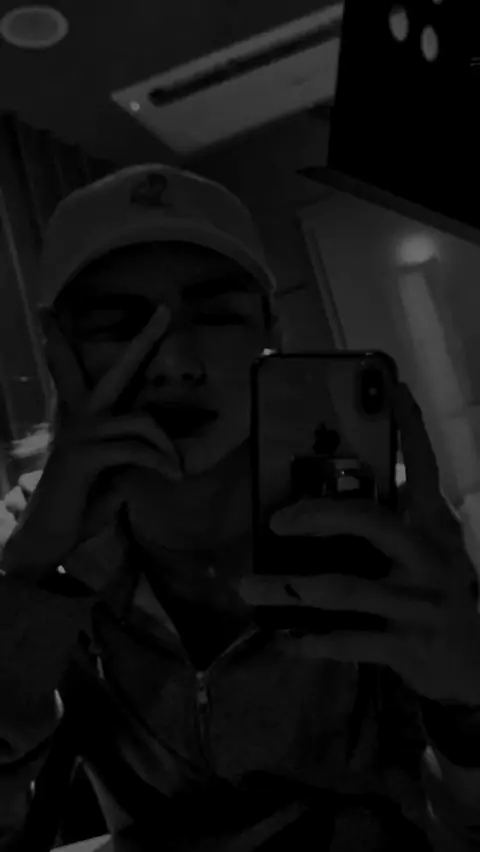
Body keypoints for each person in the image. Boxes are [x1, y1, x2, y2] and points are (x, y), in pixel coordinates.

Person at [2, 164, 480, 852]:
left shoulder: (373, 527)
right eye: (119, 326)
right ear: (58, 348)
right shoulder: (28, 540)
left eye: (218, 316)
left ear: (269, 331)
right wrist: (27, 580)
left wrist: (468, 709)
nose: (176, 361)